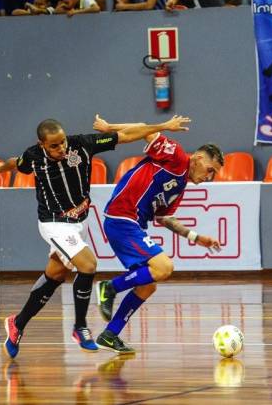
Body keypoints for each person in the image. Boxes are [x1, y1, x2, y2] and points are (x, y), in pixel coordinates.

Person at [0, 114, 191, 359]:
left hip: (78, 223)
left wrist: (163, 126)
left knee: (55, 275)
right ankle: (80, 327)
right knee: (88, 264)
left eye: (62, 142)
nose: (61, 148)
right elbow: (17, 162)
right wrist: (1, 167)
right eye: (54, 145)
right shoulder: (34, 156)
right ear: (42, 144)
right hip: (54, 223)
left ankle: (17, 323)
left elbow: (128, 135)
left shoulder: (82, 145)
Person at [92, 118, 224, 353]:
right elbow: (144, 129)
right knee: (164, 267)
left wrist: (195, 237)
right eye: (210, 170)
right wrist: (111, 128)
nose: (209, 177)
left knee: (148, 285)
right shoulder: (177, 157)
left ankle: (109, 334)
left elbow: (165, 218)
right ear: (199, 159)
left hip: (132, 224)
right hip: (123, 216)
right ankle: (110, 288)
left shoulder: (180, 185)